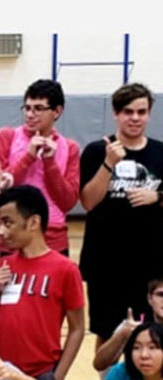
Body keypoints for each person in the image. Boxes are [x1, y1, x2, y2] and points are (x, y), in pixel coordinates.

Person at [0, 185, 84, 380]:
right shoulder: (4, 265)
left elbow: (77, 328)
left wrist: (56, 378)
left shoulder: (65, 269)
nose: (1, 231)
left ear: (33, 222)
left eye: (8, 222)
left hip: (41, 375)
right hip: (4, 375)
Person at [79, 83, 163, 353]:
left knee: (153, 331)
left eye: (141, 112)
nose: (135, 118)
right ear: (116, 113)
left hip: (151, 262)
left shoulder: (160, 152)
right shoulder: (96, 151)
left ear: (149, 114)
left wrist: (158, 196)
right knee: (107, 331)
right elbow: (88, 201)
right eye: (128, 112)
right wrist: (109, 163)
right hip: (105, 262)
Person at [0, 79, 80, 255]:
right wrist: (28, 157)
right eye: (27, 108)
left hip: (53, 240)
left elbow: (67, 202)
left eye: (38, 108)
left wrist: (50, 162)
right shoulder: (5, 137)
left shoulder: (69, 147)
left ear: (57, 111)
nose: (30, 114)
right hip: (13, 238)